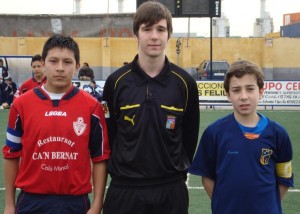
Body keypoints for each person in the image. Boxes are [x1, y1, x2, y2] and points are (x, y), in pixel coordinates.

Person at [102, 2, 200, 214]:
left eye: (160, 29)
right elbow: (109, 134)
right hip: (125, 190)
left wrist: (173, 170)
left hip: (170, 190)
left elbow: (190, 137)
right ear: (136, 34)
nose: (154, 36)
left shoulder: (185, 83)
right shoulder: (115, 82)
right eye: (147, 29)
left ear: (169, 34)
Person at [2, 34, 111, 214]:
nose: (60, 68)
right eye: (53, 61)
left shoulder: (92, 107)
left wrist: (97, 204)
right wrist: (9, 205)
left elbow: (99, 158)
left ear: (77, 66)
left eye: (67, 62)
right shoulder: (21, 105)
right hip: (31, 201)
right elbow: (11, 154)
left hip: (75, 202)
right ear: (44, 63)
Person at [189, 60, 294, 214]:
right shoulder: (214, 133)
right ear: (228, 95)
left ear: (261, 92)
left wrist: (269, 207)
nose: (244, 96)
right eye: (236, 90)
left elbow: (284, 179)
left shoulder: (278, 134)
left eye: (250, 89)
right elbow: (207, 177)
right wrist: (223, 205)